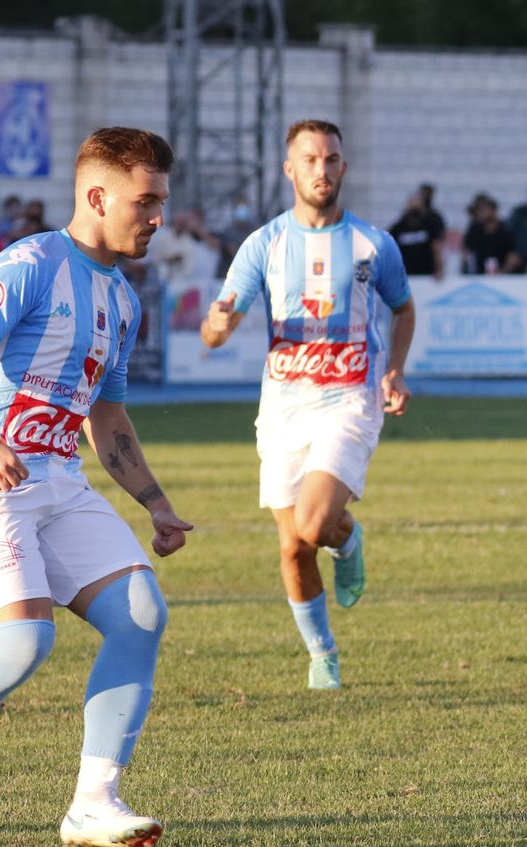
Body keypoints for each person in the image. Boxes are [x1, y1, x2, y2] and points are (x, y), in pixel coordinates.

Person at [0, 126, 193, 847]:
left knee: (142, 611)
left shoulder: (122, 299)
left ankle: (94, 802)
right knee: (24, 642)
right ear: (97, 195)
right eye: (145, 201)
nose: (157, 217)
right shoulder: (30, 262)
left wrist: (152, 500)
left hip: (57, 479)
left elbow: (106, 412)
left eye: (161, 202)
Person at [200, 119, 416, 691]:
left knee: (316, 522)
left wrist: (394, 369)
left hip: (351, 398)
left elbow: (404, 308)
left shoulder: (374, 243)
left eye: (332, 159)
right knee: (294, 546)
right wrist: (218, 325)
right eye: (311, 160)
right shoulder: (264, 243)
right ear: (289, 170)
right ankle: (322, 655)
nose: (322, 169)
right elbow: (215, 329)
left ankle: (345, 538)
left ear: (344, 166)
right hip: (283, 407)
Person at [389, 189, 446, 280]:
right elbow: (390, 250)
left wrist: (439, 269)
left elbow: (436, 247)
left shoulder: (429, 225)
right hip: (406, 275)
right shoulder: (399, 227)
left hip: (427, 275)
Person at [462, 193, 521, 274]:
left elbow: (513, 257)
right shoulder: (474, 230)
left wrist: (501, 272)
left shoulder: (506, 230)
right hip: (479, 275)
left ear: (493, 211)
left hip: (504, 276)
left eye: (484, 210)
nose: (481, 213)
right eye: (480, 210)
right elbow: (466, 252)